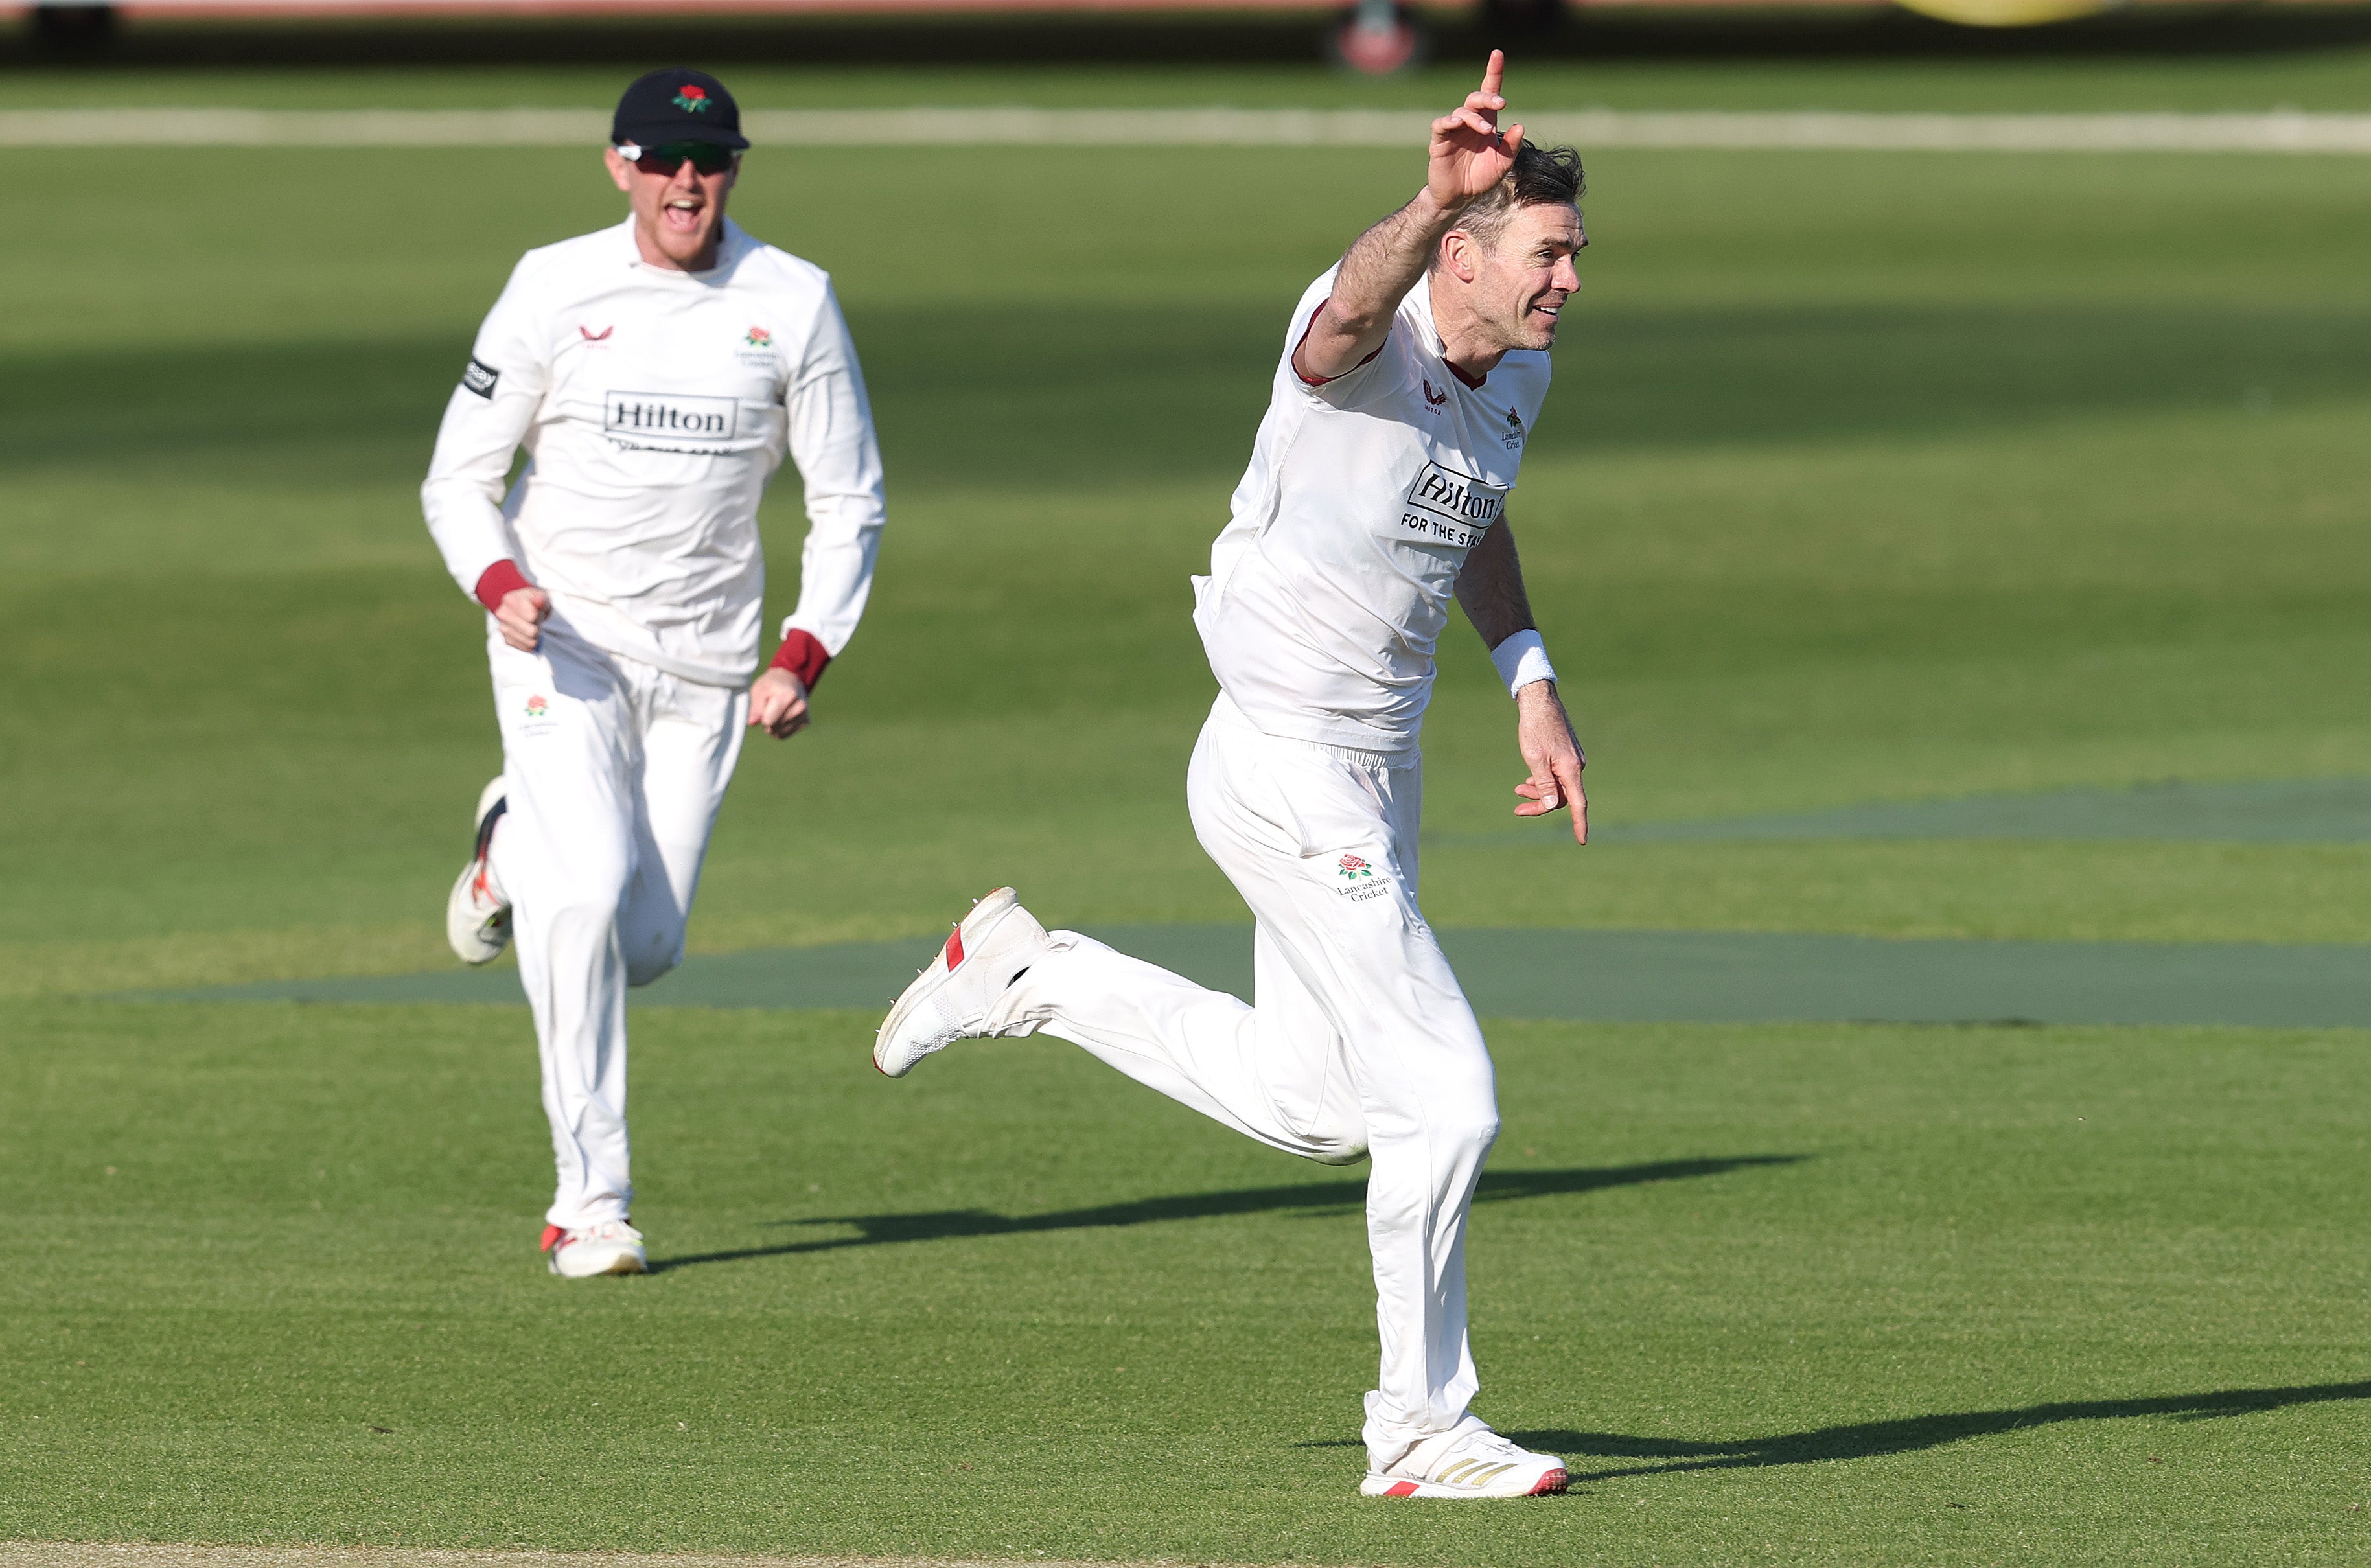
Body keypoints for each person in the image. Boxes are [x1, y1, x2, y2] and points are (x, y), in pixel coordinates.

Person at [872, 52, 1588, 1499]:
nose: (1569, 281)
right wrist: (1427, 195)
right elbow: (1349, 311)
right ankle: (1418, 1428)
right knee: (1445, 1098)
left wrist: (1529, 677)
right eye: (1547, 255)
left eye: (1575, 256)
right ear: (1463, 254)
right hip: (1280, 757)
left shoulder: (1521, 371)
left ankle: (1031, 975)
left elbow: (1475, 513)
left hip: (1375, 768)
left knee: (1323, 1105)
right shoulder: (1365, 337)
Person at [421, 68, 885, 1278]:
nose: (688, 180)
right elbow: (458, 477)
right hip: (561, 644)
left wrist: (804, 651)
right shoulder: (552, 285)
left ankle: (507, 845)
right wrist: (497, 582)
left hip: (710, 668)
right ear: (620, 166)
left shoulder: (792, 300)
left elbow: (849, 498)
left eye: (711, 159)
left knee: (640, 946)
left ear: (733, 169)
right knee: (581, 902)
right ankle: (591, 1205)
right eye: (664, 159)